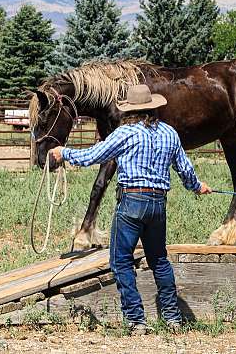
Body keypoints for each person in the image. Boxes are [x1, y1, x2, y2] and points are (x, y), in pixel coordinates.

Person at [50, 84, 212, 335]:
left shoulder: (124, 133)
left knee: (121, 261)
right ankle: (172, 318)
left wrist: (64, 153)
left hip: (131, 202)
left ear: (130, 111)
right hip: (158, 204)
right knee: (159, 260)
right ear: (153, 108)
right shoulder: (170, 133)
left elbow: (94, 155)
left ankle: (136, 320)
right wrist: (198, 186)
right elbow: (185, 169)